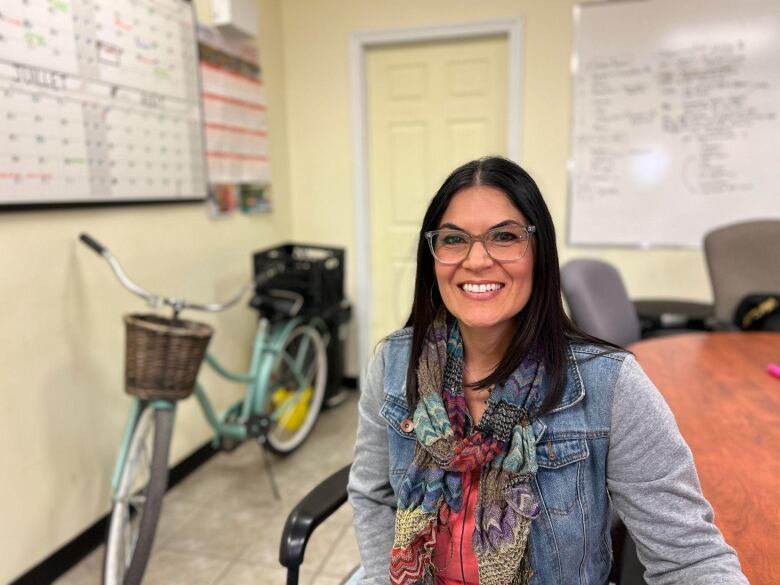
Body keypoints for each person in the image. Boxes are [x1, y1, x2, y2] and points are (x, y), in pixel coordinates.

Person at [347, 157, 748, 585]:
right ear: (434, 257)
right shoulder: (394, 363)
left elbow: (691, 559)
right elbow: (372, 495)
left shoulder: (609, 384)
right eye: (454, 239)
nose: (477, 260)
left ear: (540, 253)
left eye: (504, 237)